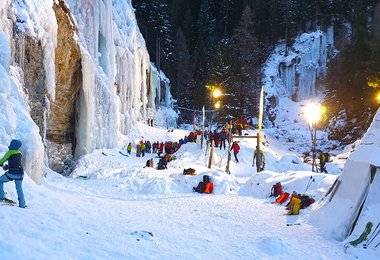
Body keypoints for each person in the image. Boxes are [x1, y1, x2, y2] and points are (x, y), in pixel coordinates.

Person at [0, 139, 26, 208]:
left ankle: (1, 196)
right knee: (19, 188)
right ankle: (22, 204)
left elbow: (1, 161)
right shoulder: (19, 153)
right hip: (20, 174)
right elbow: (16, 163)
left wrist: (2, 165)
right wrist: (8, 167)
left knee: (0, 180)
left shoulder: (10, 152)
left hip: (12, 173)